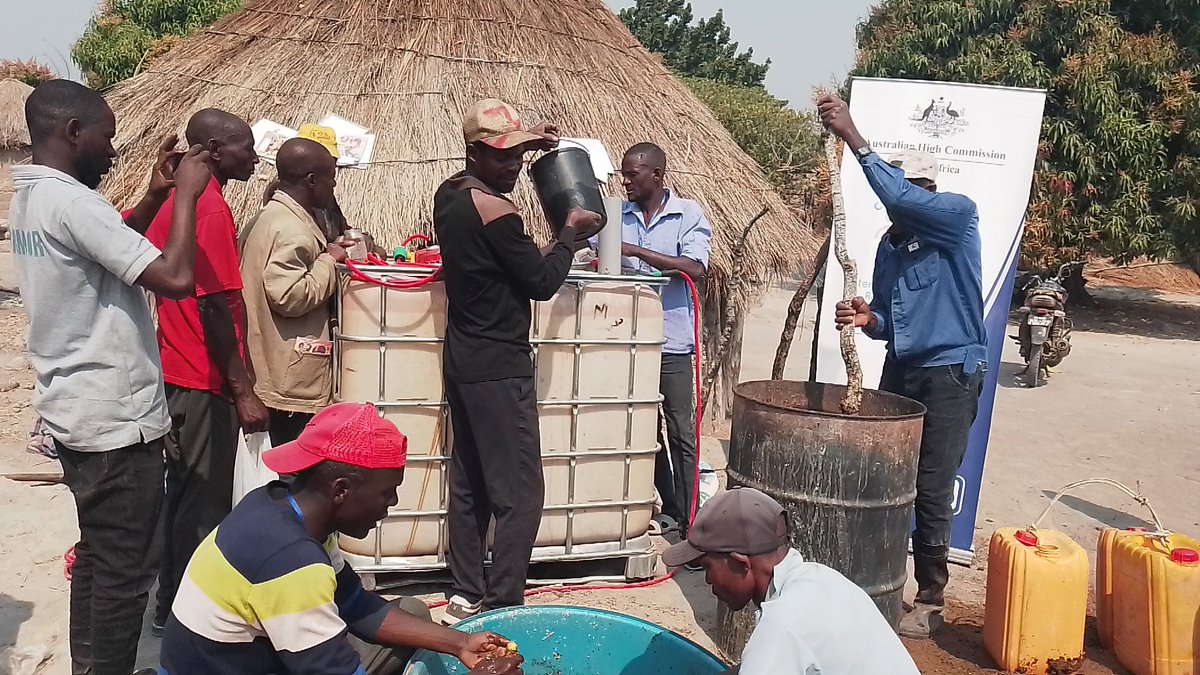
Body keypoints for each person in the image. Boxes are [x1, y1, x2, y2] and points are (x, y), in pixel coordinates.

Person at [9, 78, 212, 675]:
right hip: (114, 420)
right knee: (125, 575)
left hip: (75, 408)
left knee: (99, 559)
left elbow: (106, 245)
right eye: (106, 138)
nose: (113, 151)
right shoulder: (74, 203)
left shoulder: (35, 196)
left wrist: (152, 198)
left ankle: (90, 667)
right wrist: (187, 198)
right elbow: (174, 278)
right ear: (73, 133)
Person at [158, 402, 524, 675]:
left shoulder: (282, 508)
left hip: (247, 657)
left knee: (411, 613)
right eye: (387, 493)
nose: (391, 504)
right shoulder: (291, 563)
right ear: (341, 491)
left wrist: (460, 644)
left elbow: (352, 602)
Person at [819, 93, 986, 638]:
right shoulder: (892, 245)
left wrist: (852, 136)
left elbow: (894, 190)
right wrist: (869, 319)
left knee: (933, 484)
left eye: (913, 192)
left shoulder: (957, 217)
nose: (904, 202)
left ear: (927, 194)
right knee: (887, 474)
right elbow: (893, 319)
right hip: (905, 368)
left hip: (950, 373)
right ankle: (878, 578)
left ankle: (932, 597)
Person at [435, 98, 601, 623]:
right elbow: (541, 281)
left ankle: (464, 590)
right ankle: (503, 601)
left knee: (469, 483)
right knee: (522, 494)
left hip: (462, 358)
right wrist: (569, 235)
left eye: (519, 158)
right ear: (474, 153)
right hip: (500, 366)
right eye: (503, 158)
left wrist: (535, 140)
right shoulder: (498, 213)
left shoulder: (450, 194)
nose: (513, 168)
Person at [141, 108, 271, 636]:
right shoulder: (208, 211)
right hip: (201, 378)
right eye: (244, 146)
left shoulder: (177, 205)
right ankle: (184, 616)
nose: (255, 155)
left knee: (185, 495)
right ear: (214, 152)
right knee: (202, 501)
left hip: (177, 369)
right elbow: (215, 308)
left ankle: (169, 602)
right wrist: (243, 391)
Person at [663, 488, 919, 674]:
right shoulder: (820, 579)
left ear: (740, 563)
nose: (707, 580)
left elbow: (778, 643)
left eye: (707, 566)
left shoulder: (783, 622)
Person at [613, 142, 711, 538]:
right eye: (623, 174)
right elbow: (585, 248)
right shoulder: (615, 215)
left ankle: (694, 524)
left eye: (632, 174)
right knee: (640, 430)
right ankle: (669, 506)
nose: (625, 181)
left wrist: (637, 251)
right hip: (625, 340)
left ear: (655, 174)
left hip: (670, 341)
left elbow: (694, 267)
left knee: (681, 432)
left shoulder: (688, 214)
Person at [239, 138, 357, 446]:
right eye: (331, 176)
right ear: (312, 180)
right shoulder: (294, 230)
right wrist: (330, 261)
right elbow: (289, 295)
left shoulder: (269, 217)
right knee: (290, 470)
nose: (334, 185)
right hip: (286, 376)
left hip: (268, 363)